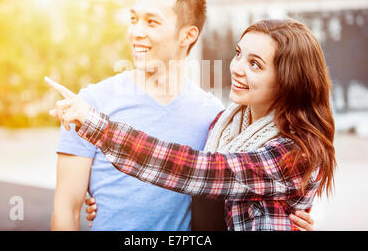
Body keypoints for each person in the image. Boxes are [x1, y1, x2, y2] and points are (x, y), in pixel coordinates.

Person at [48, 18, 335, 230]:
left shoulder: (294, 153)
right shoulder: (225, 125)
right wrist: (115, 201)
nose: (236, 68)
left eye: (255, 64)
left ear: (289, 81)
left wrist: (97, 125)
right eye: (238, 54)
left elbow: (191, 169)